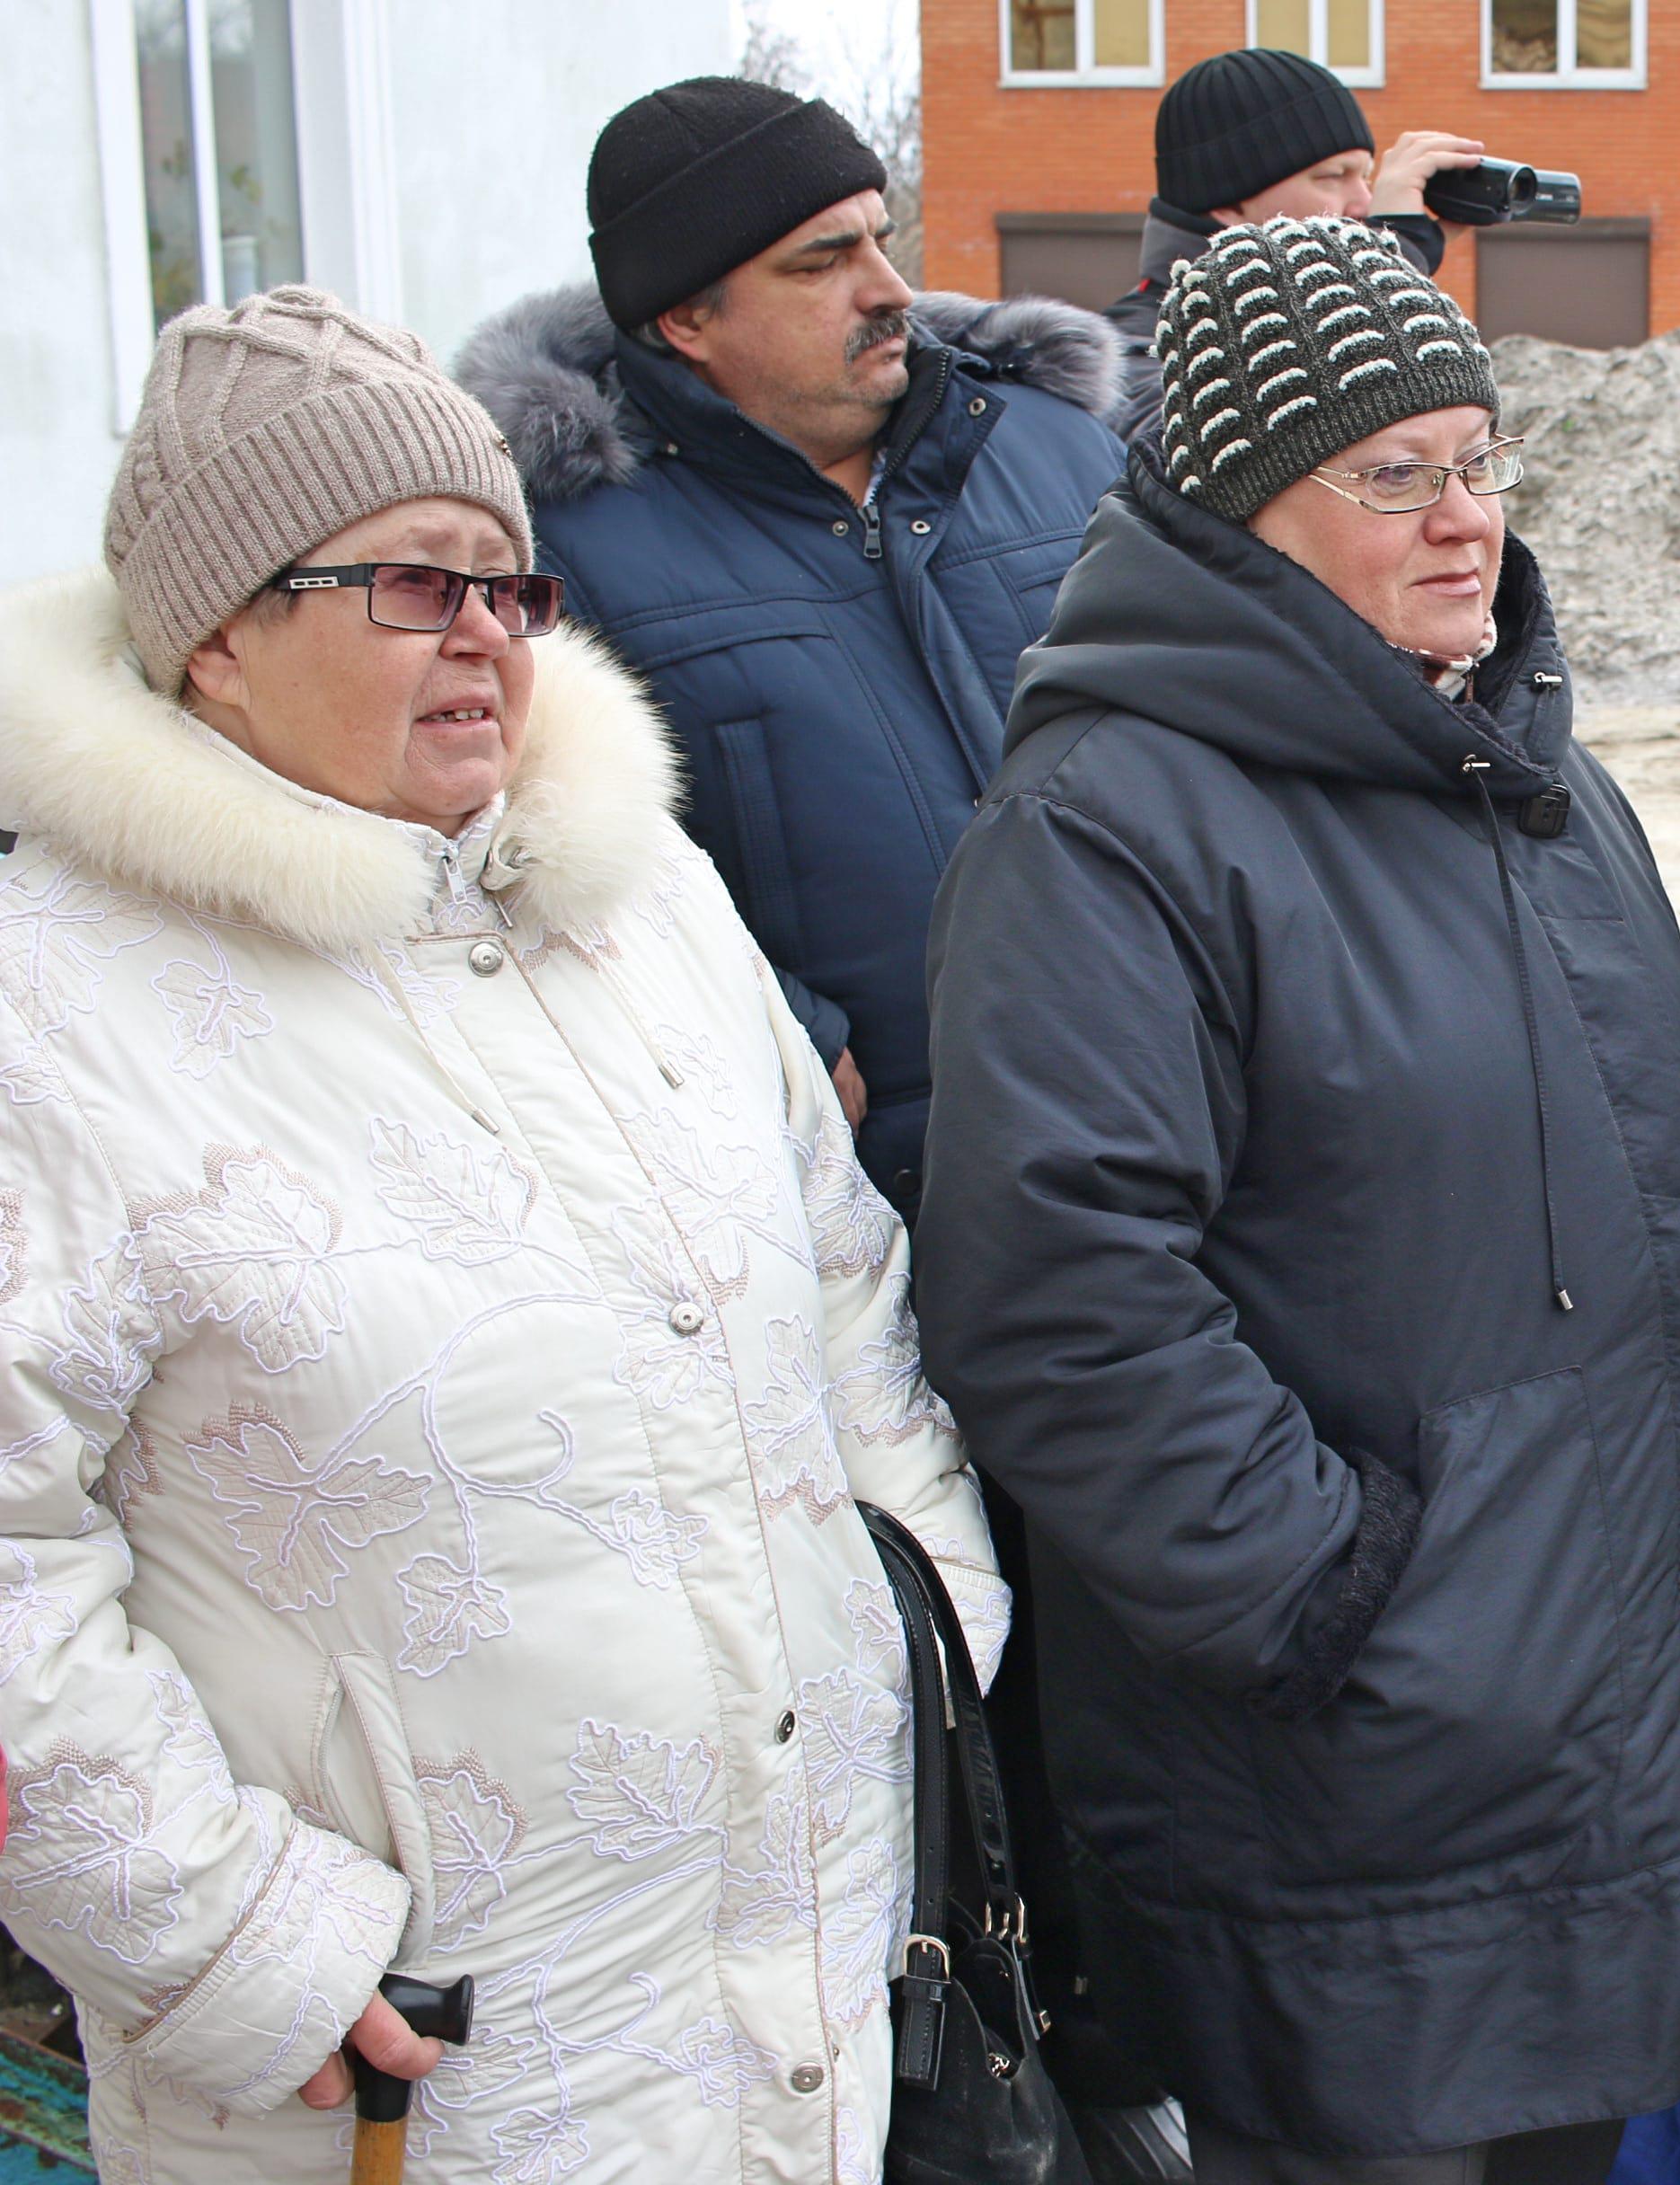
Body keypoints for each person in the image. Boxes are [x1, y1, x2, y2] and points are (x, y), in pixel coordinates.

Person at [0, 287, 1001, 2181]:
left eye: (509, 584)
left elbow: (844, 1292)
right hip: (404, 2066)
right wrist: (226, 1943)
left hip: (788, 1993)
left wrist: (926, 1628)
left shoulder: (641, 901)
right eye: (409, 583)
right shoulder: (52, 1004)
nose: (484, 631)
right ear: (215, 639)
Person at [914, 216, 1680, 2185]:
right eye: (1393, 473)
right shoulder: (1110, 823)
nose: (1464, 515)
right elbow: (1060, 1298)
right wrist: (1339, 1593)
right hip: (1345, 1787)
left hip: (1572, 1739)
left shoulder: (1532, 786)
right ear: (1237, 509)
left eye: (1479, 459)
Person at [456, 75, 1127, 1220]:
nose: (891, 289)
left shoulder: (1059, 450)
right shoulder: (556, 547)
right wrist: (776, 1027)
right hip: (890, 1183)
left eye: (879, 236)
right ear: (686, 318)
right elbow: (520, 871)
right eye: (821, 263)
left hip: (1179, 1094)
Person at [1101, 47, 1485, 440]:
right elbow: (1214, 458)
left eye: (1365, 176)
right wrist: (1386, 266)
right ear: (1230, 203)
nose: (1364, 203)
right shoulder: (1127, 355)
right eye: (1333, 176)